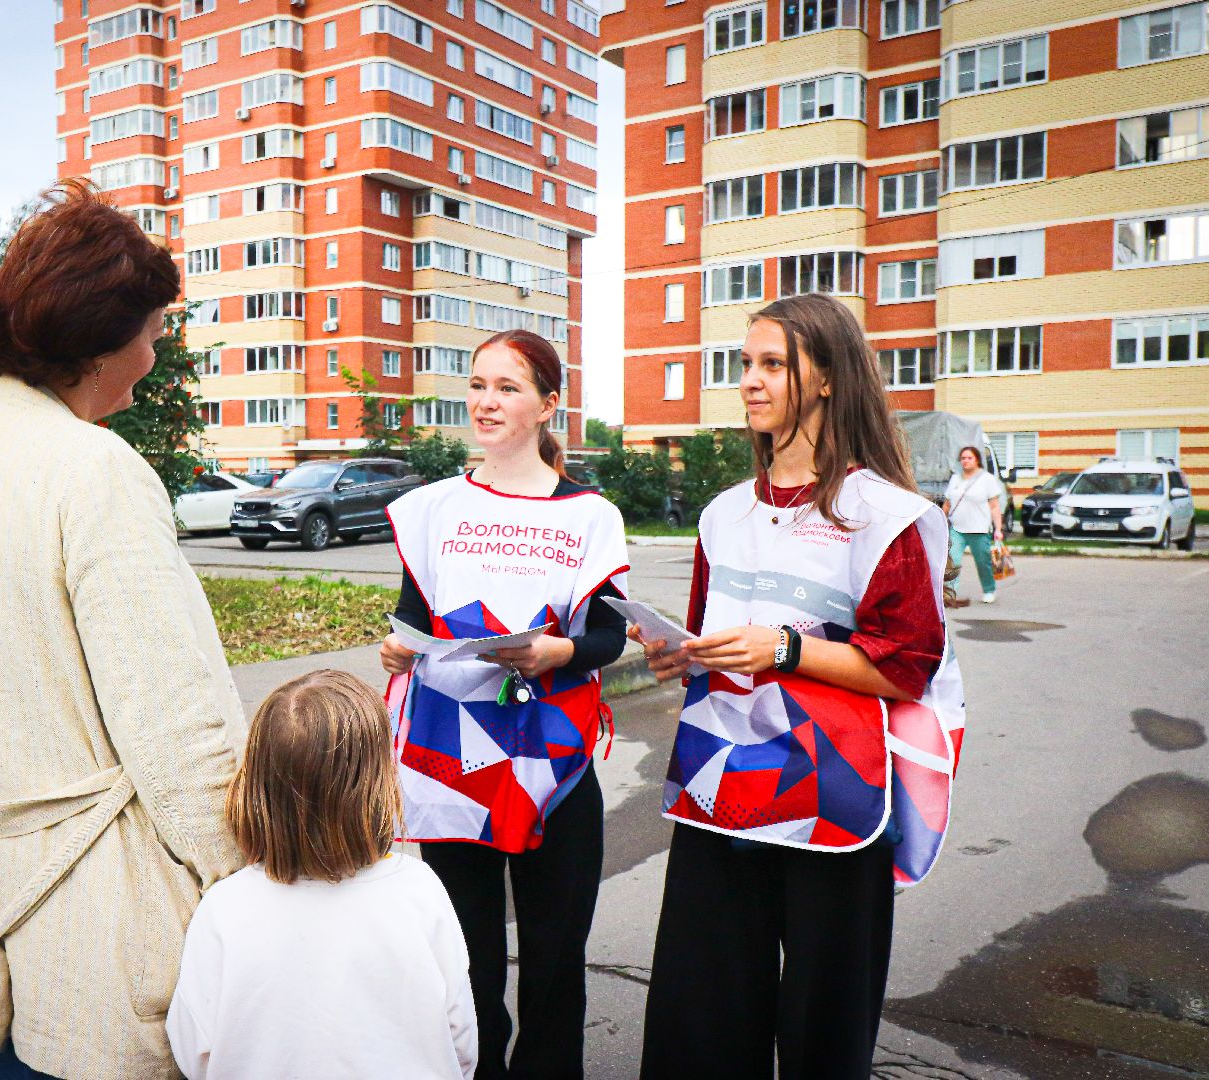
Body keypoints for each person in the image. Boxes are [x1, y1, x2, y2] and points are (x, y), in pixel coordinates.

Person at [0, 179, 249, 1080]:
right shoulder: (96, 470)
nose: (156, 354)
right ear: (102, 339)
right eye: (153, 331)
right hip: (89, 919)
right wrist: (250, 879)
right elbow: (177, 731)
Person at [631, 294, 966, 1079]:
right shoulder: (721, 515)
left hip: (835, 802)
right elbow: (715, 639)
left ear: (825, 379)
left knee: (823, 1038)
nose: (749, 381)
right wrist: (680, 655)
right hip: (721, 792)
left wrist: (783, 650)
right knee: (699, 1027)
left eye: (772, 364)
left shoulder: (886, 514)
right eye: (745, 364)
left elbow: (906, 667)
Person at [379, 329, 630, 1080]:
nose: (486, 402)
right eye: (479, 385)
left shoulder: (591, 516)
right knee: (467, 957)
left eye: (508, 387)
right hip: (449, 760)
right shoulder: (432, 508)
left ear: (550, 405)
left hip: (554, 764)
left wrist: (561, 652)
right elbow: (411, 622)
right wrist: (397, 649)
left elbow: (610, 635)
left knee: (555, 958)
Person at [167, 670, 478, 1080]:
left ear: (257, 781)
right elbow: (460, 1036)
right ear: (377, 783)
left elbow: (193, 1050)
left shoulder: (224, 907)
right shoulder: (418, 889)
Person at [943, 445, 1005, 604]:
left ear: (976, 459)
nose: (965, 461)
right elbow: (948, 503)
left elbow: (995, 506)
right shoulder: (956, 479)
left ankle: (989, 590)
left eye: (969, 458)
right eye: (963, 458)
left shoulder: (987, 479)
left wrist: (998, 529)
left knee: (983, 563)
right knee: (953, 562)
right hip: (957, 529)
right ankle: (950, 594)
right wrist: (941, 521)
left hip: (979, 530)